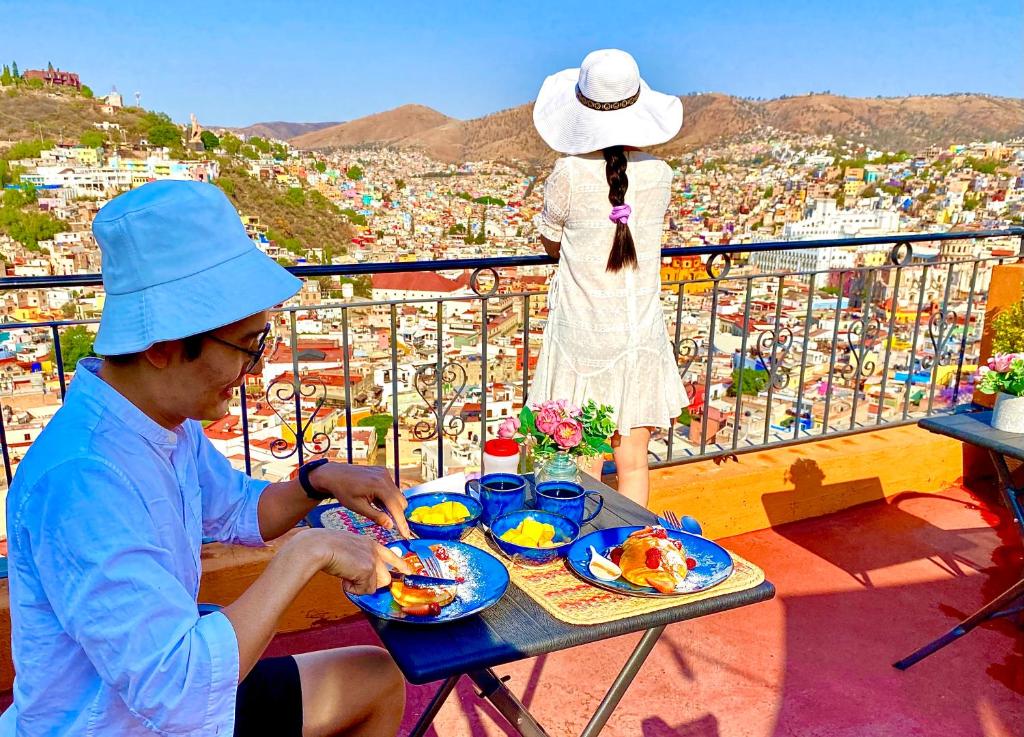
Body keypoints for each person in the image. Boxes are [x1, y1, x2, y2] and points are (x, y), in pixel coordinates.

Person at [1, 180, 414, 737]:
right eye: (249, 347)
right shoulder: (82, 481)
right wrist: (307, 553)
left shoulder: (160, 420)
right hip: (116, 723)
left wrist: (318, 481)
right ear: (162, 346)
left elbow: (239, 511)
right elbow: (179, 696)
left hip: (170, 691)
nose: (258, 371)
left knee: (378, 679)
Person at [529, 49, 689, 507]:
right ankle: (627, 547)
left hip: (582, 337)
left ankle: (577, 557)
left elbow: (551, 240)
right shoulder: (660, 174)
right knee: (633, 464)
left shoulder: (570, 172)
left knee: (579, 464)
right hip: (639, 335)